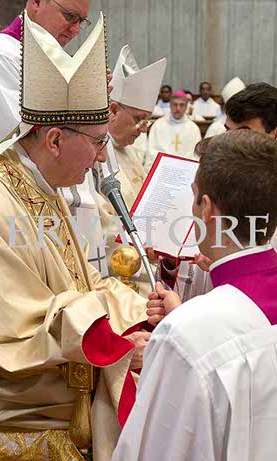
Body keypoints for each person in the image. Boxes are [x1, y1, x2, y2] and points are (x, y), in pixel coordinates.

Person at [0, 13, 149, 461]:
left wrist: (134, 313)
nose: (103, 159)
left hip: (49, 353)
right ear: (55, 139)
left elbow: (74, 282)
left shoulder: (38, 180)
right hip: (7, 386)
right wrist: (116, 344)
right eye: (98, 143)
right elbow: (11, 325)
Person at [112, 130, 277, 461]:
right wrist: (184, 317)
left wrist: (182, 325)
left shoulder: (184, 336)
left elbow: (154, 454)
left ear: (206, 208)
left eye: (194, 196)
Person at [0, 0, 116, 277]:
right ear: (36, 2)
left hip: (67, 209)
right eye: (70, 16)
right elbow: (27, 146)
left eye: (82, 21)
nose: (76, 29)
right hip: (21, 217)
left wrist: (92, 104)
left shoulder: (57, 59)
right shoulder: (0, 57)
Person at [159, 83, 277, 301]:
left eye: (243, 133)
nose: (230, 143)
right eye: (228, 132)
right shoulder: (209, 188)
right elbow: (189, 274)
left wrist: (226, 268)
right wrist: (170, 261)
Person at [97, 44, 166, 292]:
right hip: (117, 278)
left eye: (147, 120)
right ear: (113, 110)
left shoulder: (130, 152)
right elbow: (99, 224)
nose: (144, 129)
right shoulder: (93, 154)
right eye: (139, 119)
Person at [146, 90, 201, 167]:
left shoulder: (193, 128)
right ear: (170, 105)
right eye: (175, 105)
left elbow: (196, 155)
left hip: (185, 170)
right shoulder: (158, 125)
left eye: (182, 105)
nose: (178, 108)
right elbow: (152, 152)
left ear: (186, 106)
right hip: (163, 169)